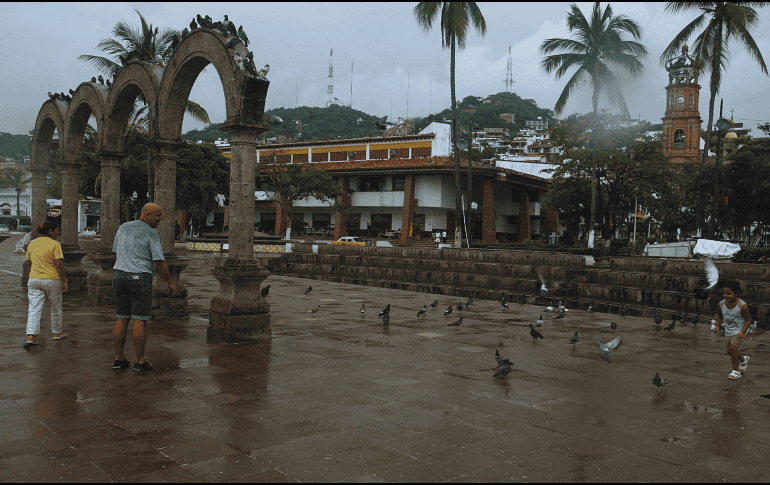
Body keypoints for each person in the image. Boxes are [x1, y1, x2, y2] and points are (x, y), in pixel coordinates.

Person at [111, 203, 177, 372]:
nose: (160, 219)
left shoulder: (123, 228)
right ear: (145, 214)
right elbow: (159, 262)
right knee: (139, 319)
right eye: (157, 215)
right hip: (139, 277)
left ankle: (119, 359)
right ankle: (140, 361)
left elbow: (116, 251)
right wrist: (170, 282)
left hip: (119, 276)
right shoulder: (151, 234)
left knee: (121, 317)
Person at [21, 221, 68, 347]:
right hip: (52, 279)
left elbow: (28, 263)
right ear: (50, 231)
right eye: (56, 230)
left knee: (34, 308)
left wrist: (29, 277)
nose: (58, 233)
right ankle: (57, 332)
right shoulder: (55, 244)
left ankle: (31, 335)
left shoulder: (32, 243)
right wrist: (64, 279)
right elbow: (59, 264)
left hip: (34, 279)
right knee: (56, 307)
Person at [712, 279, 752, 379]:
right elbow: (719, 315)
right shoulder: (721, 304)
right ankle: (743, 359)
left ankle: (735, 371)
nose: (726, 295)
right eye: (724, 293)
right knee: (729, 351)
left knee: (733, 348)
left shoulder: (742, 306)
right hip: (728, 330)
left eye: (729, 293)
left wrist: (743, 332)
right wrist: (717, 325)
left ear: (736, 293)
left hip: (739, 330)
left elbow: (748, 320)